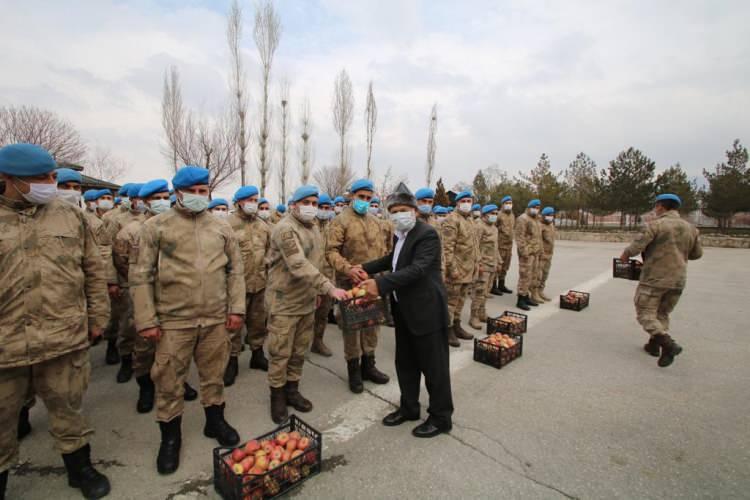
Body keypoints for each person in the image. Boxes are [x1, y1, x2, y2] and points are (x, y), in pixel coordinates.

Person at [0, 143, 112, 499]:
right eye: (43, 178)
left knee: (69, 409)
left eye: (53, 176)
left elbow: (93, 271)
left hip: (63, 336)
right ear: (9, 180)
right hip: (6, 344)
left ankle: (80, 468)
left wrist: (98, 318)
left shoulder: (69, 217)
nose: (53, 183)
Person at [130, 166, 245, 474]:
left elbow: (235, 272)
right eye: (192, 192)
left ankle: (215, 422)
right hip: (172, 321)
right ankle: (170, 439)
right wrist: (147, 320)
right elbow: (140, 276)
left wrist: (236, 310)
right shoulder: (156, 227)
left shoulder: (221, 228)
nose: (198, 197)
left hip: (214, 318)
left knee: (213, 374)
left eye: (202, 191)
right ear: (177, 193)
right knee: (168, 380)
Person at [359, 183, 453, 438]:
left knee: (435, 369)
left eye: (404, 209)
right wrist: (364, 268)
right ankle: (409, 408)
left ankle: (441, 417)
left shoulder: (427, 235)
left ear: (414, 210)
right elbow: (393, 260)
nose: (400, 214)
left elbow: (418, 269)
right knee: (406, 364)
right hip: (405, 311)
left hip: (427, 311)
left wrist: (379, 284)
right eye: (395, 210)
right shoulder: (401, 235)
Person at [265, 186, 348, 423]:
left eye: (315, 202)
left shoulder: (313, 229)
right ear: (294, 204)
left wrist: (318, 291)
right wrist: (329, 287)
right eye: (307, 202)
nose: (311, 207)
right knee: (280, 352)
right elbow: (298, 264)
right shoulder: (285, 229)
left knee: (299, 350)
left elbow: (318, 262)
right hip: (284, 302)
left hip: (306, 300)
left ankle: (292, 389)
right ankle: (277, 396)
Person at [114, 179, 197, 413]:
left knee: (176, 345)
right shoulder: (131, 231)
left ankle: (179, 381)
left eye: (165, 197)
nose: (162, 202)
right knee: (144, 346)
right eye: (157, 198)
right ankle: (146, 387)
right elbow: (120, 262)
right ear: (145, 202)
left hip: (175, 297)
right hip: (144, 297)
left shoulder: (180, 226)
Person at [619, 194, 702, 367]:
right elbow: (696, 254)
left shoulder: (655, 225)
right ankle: (654, 345)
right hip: (678, 279)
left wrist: (626, 255)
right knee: (662, 313)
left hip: (654, 278)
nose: (655, 209)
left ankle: (668, 345)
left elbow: (637, 246)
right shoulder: (691, 228)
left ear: (660, 206)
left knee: (645, 313)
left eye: (656, 206)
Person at [327, 179, 391, 393]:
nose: (364, 201)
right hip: (349, 284)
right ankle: (354, 370)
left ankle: (369, 366)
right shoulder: (340, 221)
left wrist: (382, 279)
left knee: (372, 325)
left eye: (368, 197)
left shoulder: (376, 222)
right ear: (351, 196)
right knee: (352, 329)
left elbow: (383, 252)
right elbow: (330, 252)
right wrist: (347, 269)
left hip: (371, 283)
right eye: (360, 197)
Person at [56, 173, 121, 365]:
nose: (72, 191)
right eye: (65, 186)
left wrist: (110, 280)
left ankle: (109, 343)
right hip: (60, 286)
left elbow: (105, 252)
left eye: (76, 187)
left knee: (108, 315)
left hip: (90, 278)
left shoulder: (89, 222)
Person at [225, 185, 271, 386]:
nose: (254, 204)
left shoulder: (263, 226)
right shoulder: (227, 225)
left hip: (259, 283)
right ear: (239, 202)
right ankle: (231, 361)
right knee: (233, 326)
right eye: (250, 200)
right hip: (236, 286)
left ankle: (257, 355)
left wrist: (267, 263)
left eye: (256, 200)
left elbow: (271, 250)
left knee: (258, 322)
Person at [112, 183, 148, 383]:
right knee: (129, 326)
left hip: (166, 288)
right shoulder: (122, 224)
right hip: (131, 285)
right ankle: (128, 361)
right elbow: (116, 257)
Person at [441, 191, 480, 347]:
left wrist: (478, 263)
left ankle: (457, 325)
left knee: (461, 300)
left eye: (469, 200)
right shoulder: (452, 220)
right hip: (456, 270)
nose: (466, 203)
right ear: (457, 203)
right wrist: (452, 269)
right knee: (451, 301)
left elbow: (474, 245)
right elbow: (447, 248)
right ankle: (448, 329)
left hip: (468, 269)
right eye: (463, 200)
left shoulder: (469, 220)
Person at [469, 205, 501, 330]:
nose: (494, 215)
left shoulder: (494, 228)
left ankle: (482, 313)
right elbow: (474, 247)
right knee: (479, 291)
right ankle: (474, 317)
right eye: (492, 213)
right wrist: (479, 264)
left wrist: (498, 261)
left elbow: (495, 246)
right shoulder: (479, 227)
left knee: (486, 291)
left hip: (492, 264)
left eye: (496, 213)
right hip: (483, 265)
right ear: (485, 214)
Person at [312, 194, 336, 356]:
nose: (324, 211)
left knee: (322, 314)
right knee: (304, 315)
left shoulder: (334, 227)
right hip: (308, 279)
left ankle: (317, 341)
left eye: (328, 208)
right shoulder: (307, 225)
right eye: (321, 207)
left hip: (327, 278)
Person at [514, 199, 543, 311]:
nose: (536, 209)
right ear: (529, 207)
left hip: (535, 252)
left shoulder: (536, 219)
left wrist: (539, 250)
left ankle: (526, 296)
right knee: (524, 275)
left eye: (538, 207)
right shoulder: (523, 219)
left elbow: (538, 237)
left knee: (532, 275)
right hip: (527, 253)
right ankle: (520, 299)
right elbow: (519, 237)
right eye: (534, 207)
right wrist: (524, 252)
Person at [491, 195, 515, 296]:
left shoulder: (512, 215)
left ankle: (502, 284)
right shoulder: (499, 215)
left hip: (508, 245)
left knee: (505, 266)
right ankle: (493, 286)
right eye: (507, 203)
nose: (509, 205)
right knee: (498, 266)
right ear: (503, 204)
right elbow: (493, 228)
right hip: (500, 245)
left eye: (510, 203)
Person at [538, 206, 556, 302]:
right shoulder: (540, 225)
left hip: (549, 254)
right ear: (544, 216)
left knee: (545, 274)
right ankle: (534, 292)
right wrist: (541, 253)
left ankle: (541, 291)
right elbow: (538, 240)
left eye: (552, 215)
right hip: (542, 255)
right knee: (538, 275)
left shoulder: (551, 224)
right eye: (549, 215)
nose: (551, 217)